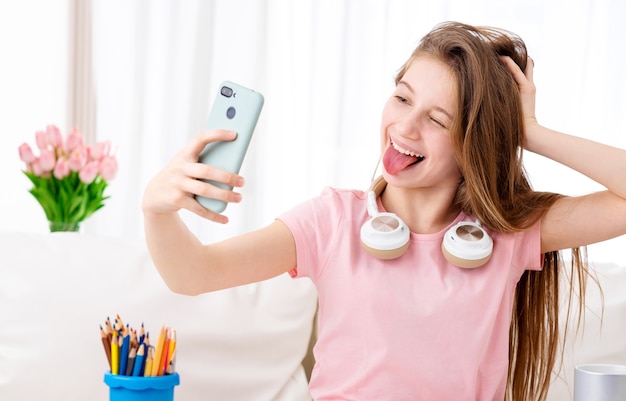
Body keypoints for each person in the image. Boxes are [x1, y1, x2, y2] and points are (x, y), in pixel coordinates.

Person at [142, 21, 626, 401]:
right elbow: (193, 274)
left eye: (436, 119)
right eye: (401, 98)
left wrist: (529, 132)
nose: (405, 126)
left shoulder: (507, 234)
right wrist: (156, 210)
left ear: (474, 144)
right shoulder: (330, 222)